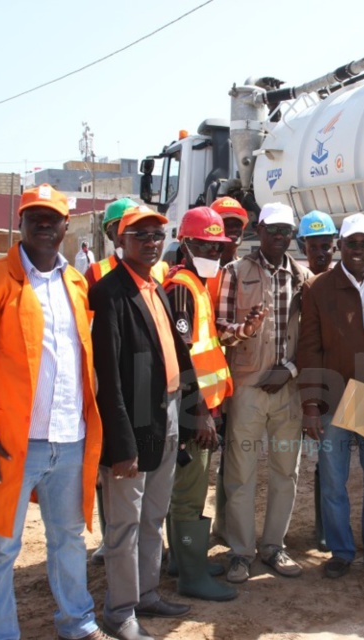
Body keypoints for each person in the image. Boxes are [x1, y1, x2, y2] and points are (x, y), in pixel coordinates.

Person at [0, 184, 109, 640]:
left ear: (66, 226)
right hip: (9, 443)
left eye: (52, 218)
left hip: (69, 437)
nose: (44, 224)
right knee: (1, 545)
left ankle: (77, 622)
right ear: (19, 224)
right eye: (34, 217)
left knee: (69, 538)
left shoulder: (75, 283)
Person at [91, 204, 207, 639]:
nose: (151, 242)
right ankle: (120, 612)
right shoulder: (110, 293)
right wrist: (120, 447)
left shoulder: (155, 287)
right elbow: (110, 379)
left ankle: (146, 595)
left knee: (152, 517)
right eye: (140, 235)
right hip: (133, 425)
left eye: (158, 235)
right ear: (119, 241)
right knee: (124, 525)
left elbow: (176, 356)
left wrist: (190, 412)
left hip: (167, 414)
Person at [298, 213, 364, 579]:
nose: (357, 250)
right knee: (333, 481)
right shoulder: (318, 289)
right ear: (340, 245)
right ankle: (340, 552)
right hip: (335, 399)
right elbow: (309, 349)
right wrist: (311, 403)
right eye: (350, 243)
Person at [217, 202, 312, 583]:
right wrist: (246, 330)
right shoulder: (234, 272)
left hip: (286, 390)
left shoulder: (303, 277)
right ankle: (240, 552)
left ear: (293, 235)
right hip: (247, 389)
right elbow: (220, 329)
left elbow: (309, 338)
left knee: (285, 471)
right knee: (241, 473)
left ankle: (273, 546)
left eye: (286, 231)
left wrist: (288, 370)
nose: (279, 236)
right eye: (273, 229)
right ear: (259, 229)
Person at [162, 206, 238, 602]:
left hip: (203, 407)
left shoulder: (195, 283)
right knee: (190, 493)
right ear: (187, 244)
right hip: (194, 412)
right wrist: (202, 415)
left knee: (189, 490)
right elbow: (183, 357)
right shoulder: (182, 289)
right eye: (207, 244)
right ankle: (191, 577)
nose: (216, 251)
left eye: (219, 245)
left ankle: (182, 560)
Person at [206, 195, 249, 542]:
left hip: (234, 378)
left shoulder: (244, 271)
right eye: (224, 224)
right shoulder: (197, 270)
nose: (230, 233)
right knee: (197, 465)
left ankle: (222, 526)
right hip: (204, 385)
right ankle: (186, 544)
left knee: (231, 459)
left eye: (236, 226)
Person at [296, 208, 338, 552]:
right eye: (314, 246)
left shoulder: (342, 283)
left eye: (326, 245)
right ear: (303, 246)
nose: (321, 252)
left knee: (327, 463)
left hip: (329, 386)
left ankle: (324, 528)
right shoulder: (295, 280)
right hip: (292, 382)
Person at [87, 198, 169, 288]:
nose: (150, 243)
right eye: (141, 234)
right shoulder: (95, 272)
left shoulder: (161, 269)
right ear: (110, 235)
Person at [297, 210, 337, 275]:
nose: (319, 254)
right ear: (304, 251)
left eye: (325, 247)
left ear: (334, 249)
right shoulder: (297, 281)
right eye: (313, 248)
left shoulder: (344, 281)